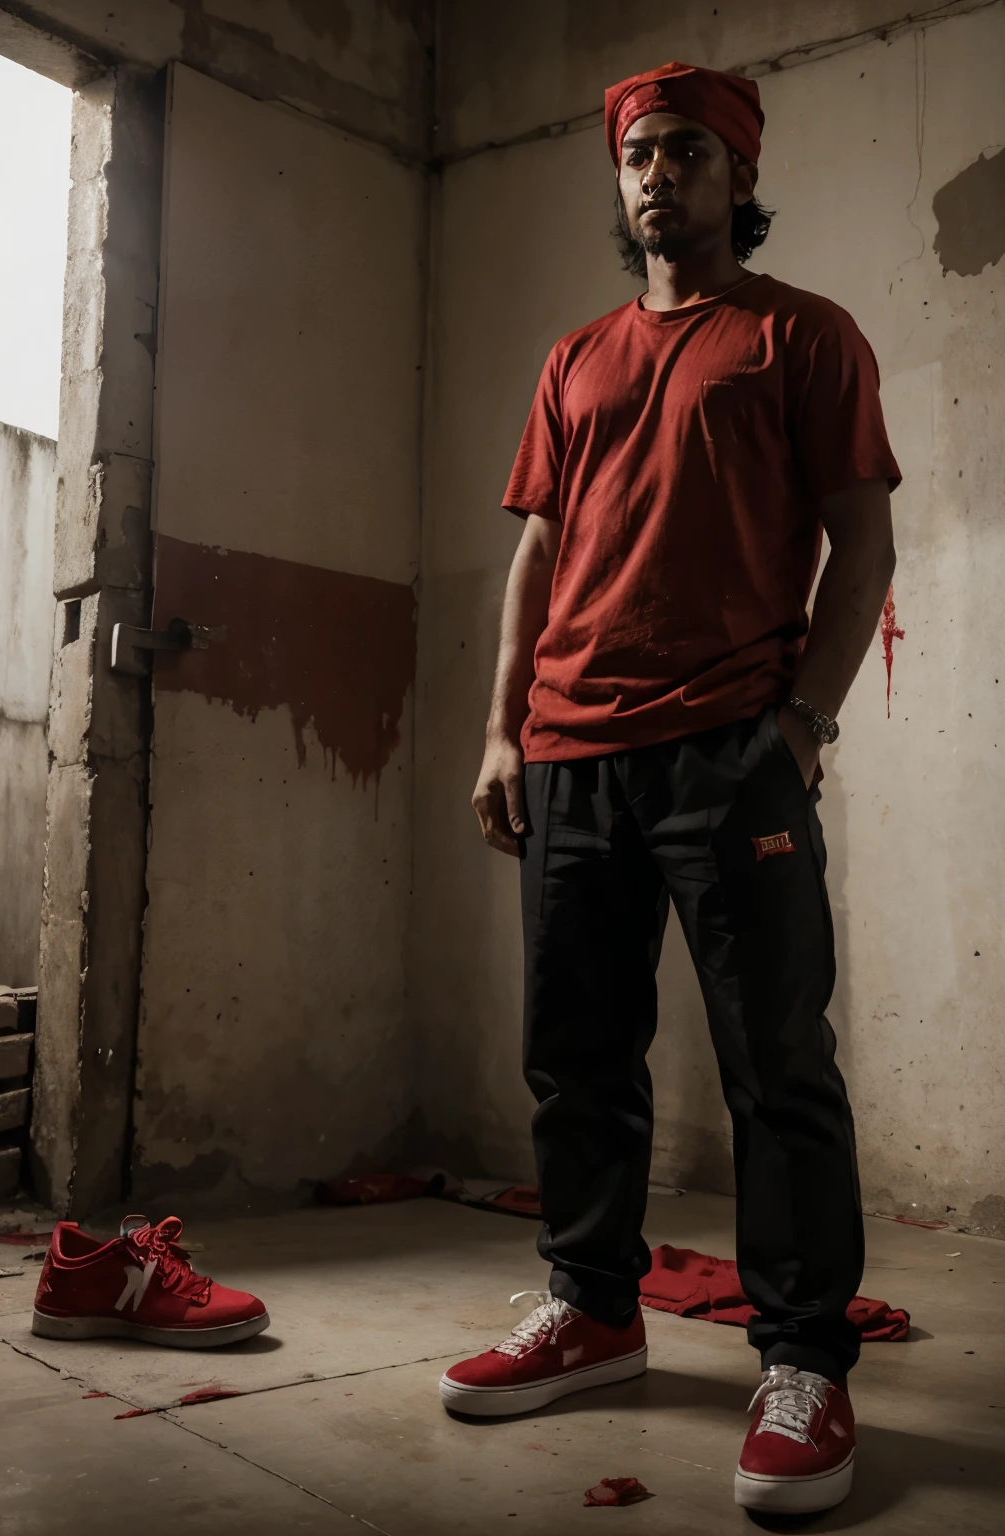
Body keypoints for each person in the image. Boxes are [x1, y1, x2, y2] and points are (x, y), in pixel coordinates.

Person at [438, 61, 900, 1516]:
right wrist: (504, 728)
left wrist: (803, 726)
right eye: (639, 153)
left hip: (730, 748)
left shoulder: (804, 340)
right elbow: (535, 550)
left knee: (778, 1065)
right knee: (576, 1052)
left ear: (736, 176)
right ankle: (592, 1306)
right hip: (573, 751)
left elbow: (862, 545)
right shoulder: (574, 360)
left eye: (687, 152)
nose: (657, 175)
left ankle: (805, 1359)